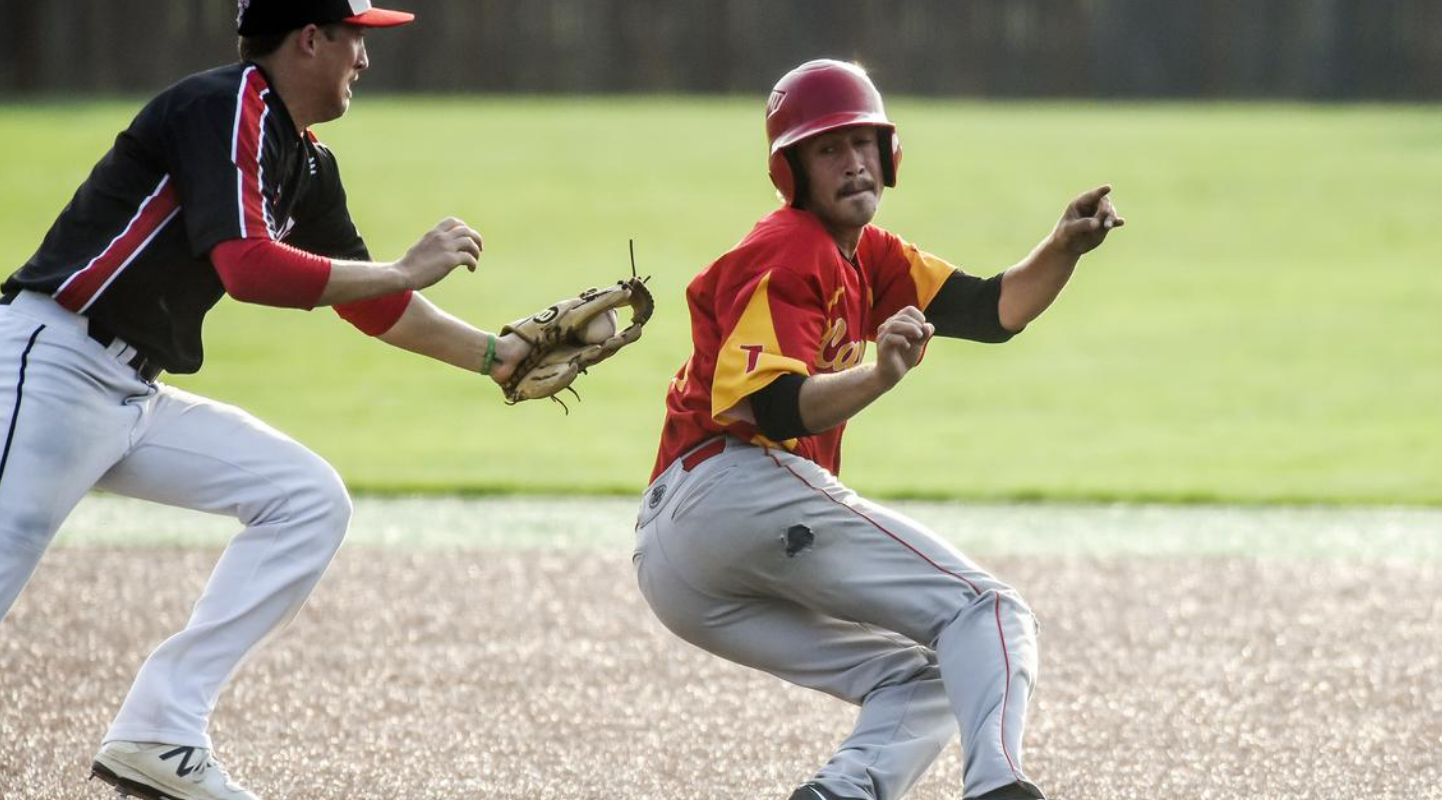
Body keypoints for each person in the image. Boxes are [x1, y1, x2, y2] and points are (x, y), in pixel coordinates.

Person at [0, 3, 532, 799]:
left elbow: (368, 303)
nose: (365, 57)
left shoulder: (307, 160)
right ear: (308, 38)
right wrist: (403, 267)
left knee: (305, 498)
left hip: (127, 395)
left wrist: (497, 358)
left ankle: (160, 728)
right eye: (357, 36)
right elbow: (249, 268)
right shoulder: (227, 104)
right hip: (49, 364)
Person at [633, 59, 1124, 800]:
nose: (854, 160)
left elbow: (991, 312)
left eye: (864, 141)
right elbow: (769, 406)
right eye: (829, 147)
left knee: (922, 676)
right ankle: (999, 785)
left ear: (889, 155)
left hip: (678, 564)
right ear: (792, 169)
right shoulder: (788, 247)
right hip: (731, 486)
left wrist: (1062, 248)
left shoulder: (872, 256)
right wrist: (877, 377)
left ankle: (844, 791)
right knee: (986, 610)